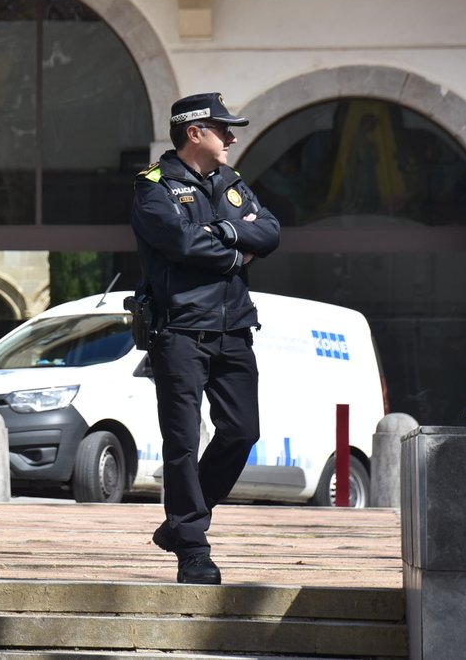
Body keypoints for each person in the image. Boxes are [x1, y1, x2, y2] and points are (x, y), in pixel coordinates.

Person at [130, 92, 281, 585]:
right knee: (182, 443)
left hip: (234, 326)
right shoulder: (153, 188)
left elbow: (273, 233)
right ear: (194, 133)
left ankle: (178, 524)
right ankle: (193, 548)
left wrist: (224, 233)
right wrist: (239, 243)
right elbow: (177, 243)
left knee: (242, 431)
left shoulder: (231, 183)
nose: (232, 138)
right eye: (224, 129)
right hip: (178, 331)